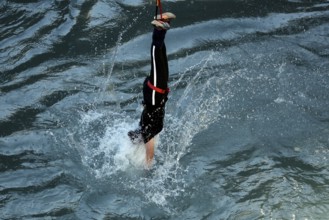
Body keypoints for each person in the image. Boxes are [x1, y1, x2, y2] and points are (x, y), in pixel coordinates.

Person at [128, 12, 176, 167]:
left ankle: (158, 28)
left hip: (156, 91)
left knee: (156, 57)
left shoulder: (148, 129)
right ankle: (163, 25)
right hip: (156, 91)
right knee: (161, 58)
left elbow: (149, 144)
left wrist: (148, 165)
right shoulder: (145, 123)